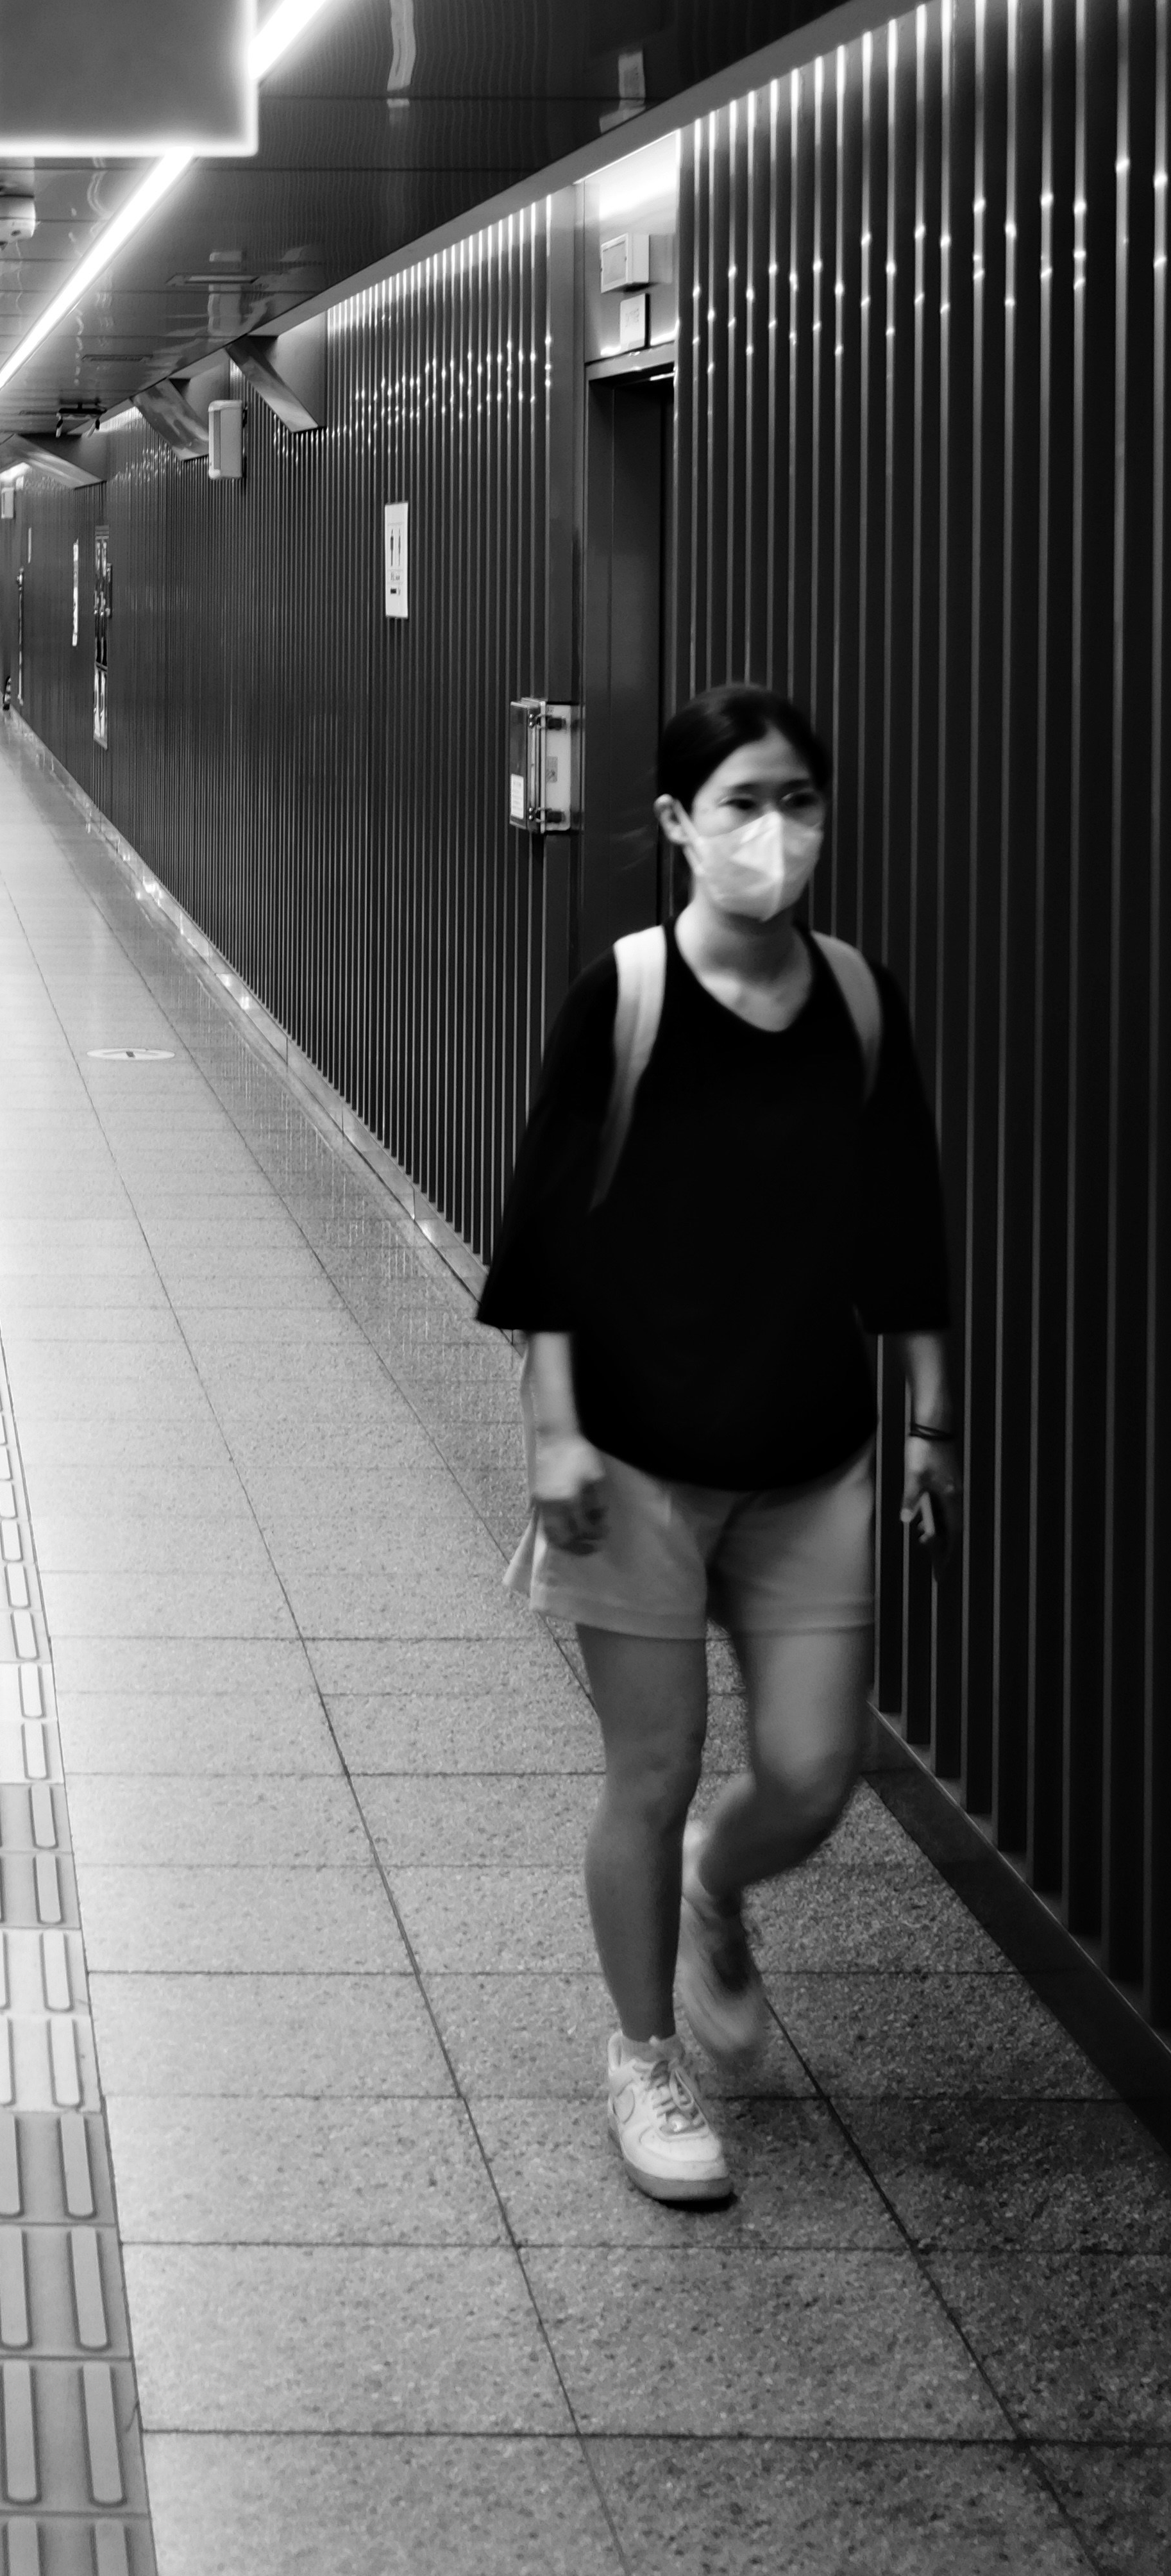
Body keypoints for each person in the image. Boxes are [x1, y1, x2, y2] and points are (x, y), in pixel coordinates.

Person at [478, 683, 959, 2206]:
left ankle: (717, 1883)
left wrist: (931, 1414)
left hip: (810, 1443)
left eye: (799, 799)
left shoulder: (860, 998)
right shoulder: (620, 996)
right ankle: (644, 2055)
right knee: (655, 1762)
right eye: (742, 802)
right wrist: (551, 1435)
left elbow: (908, 1230)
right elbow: (546, 1235)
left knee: (816, 1771)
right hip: (630, 1445)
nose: (776, 832)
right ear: (680, 824)